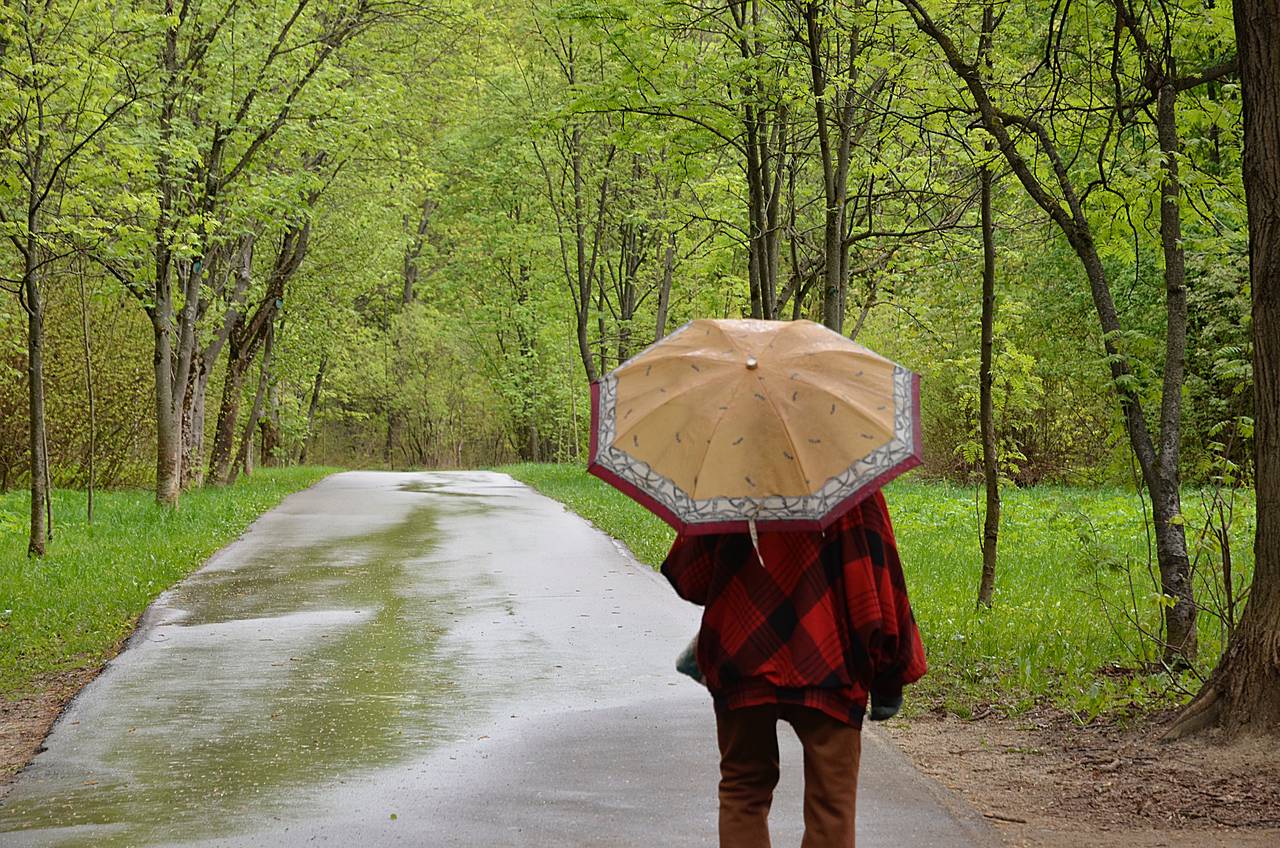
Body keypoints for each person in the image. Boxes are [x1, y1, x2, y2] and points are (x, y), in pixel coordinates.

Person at [660, 489, 927, 848]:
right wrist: (890, 675)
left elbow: (690, 578)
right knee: (831, 805)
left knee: (743, 790)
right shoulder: (853, 483)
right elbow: (880, 581)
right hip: (832, 662)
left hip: (744, 657)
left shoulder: (729, 480)